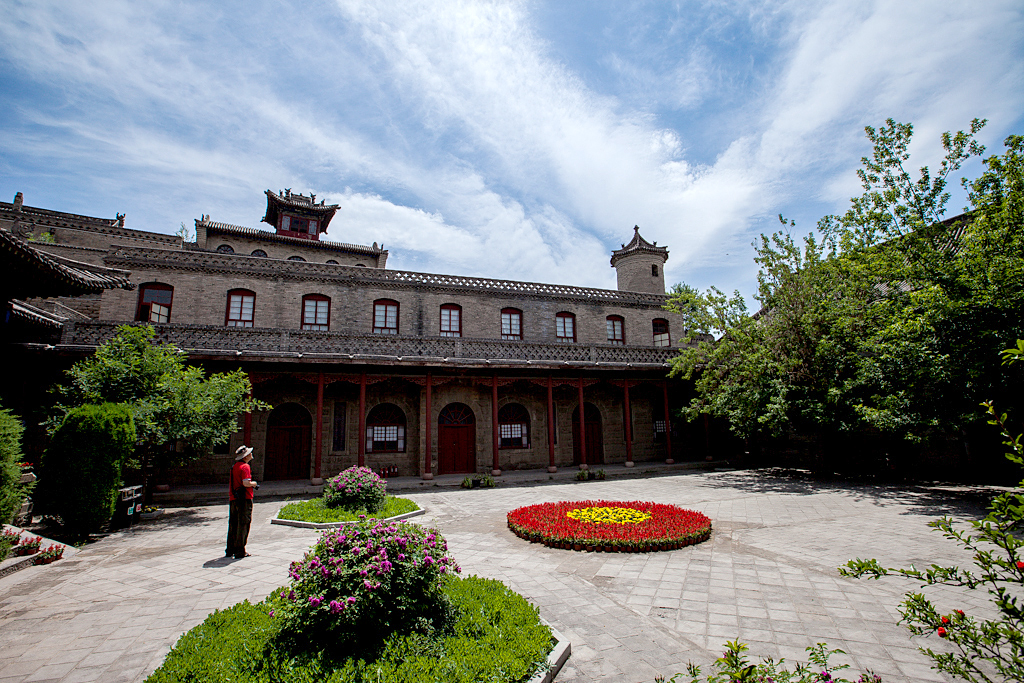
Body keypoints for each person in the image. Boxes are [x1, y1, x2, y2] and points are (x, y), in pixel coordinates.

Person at [226, 445, 257, 559]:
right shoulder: (245, 467)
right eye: (250, 453)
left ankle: (230, 549)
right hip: (244, 499)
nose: (251, 454)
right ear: (246, 456)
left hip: (234, 498)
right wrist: (254, 484)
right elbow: (246, 483)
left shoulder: (235, 466)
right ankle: (240, 550)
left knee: (233, 523)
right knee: (243, 524)